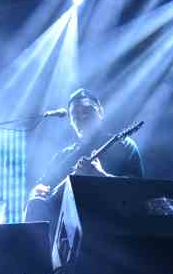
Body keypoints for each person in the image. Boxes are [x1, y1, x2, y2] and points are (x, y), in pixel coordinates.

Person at [24, 88, 144, 236]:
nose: (82, 116)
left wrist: (102, 176)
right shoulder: (63, 156)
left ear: (100, 112)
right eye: (75, 114)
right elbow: (42, 187)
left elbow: (139, 193)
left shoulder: (123, 145)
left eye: (88, 110)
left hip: (114, 234)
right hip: (67, 240)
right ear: (70, 121)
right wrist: (34, 193)